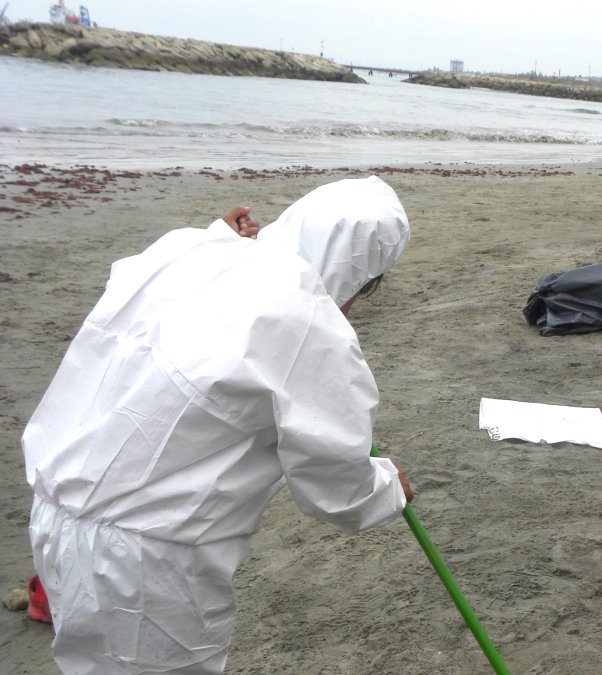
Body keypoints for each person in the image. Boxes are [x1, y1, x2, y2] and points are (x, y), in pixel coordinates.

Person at [22, 175, 414, 673]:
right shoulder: (310, 320)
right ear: (361, 274)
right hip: (145, 554)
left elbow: (140, 281)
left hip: (54, 504)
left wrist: (217, 236)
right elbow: (333, 482)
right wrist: (388, 487)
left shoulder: (189, 248)